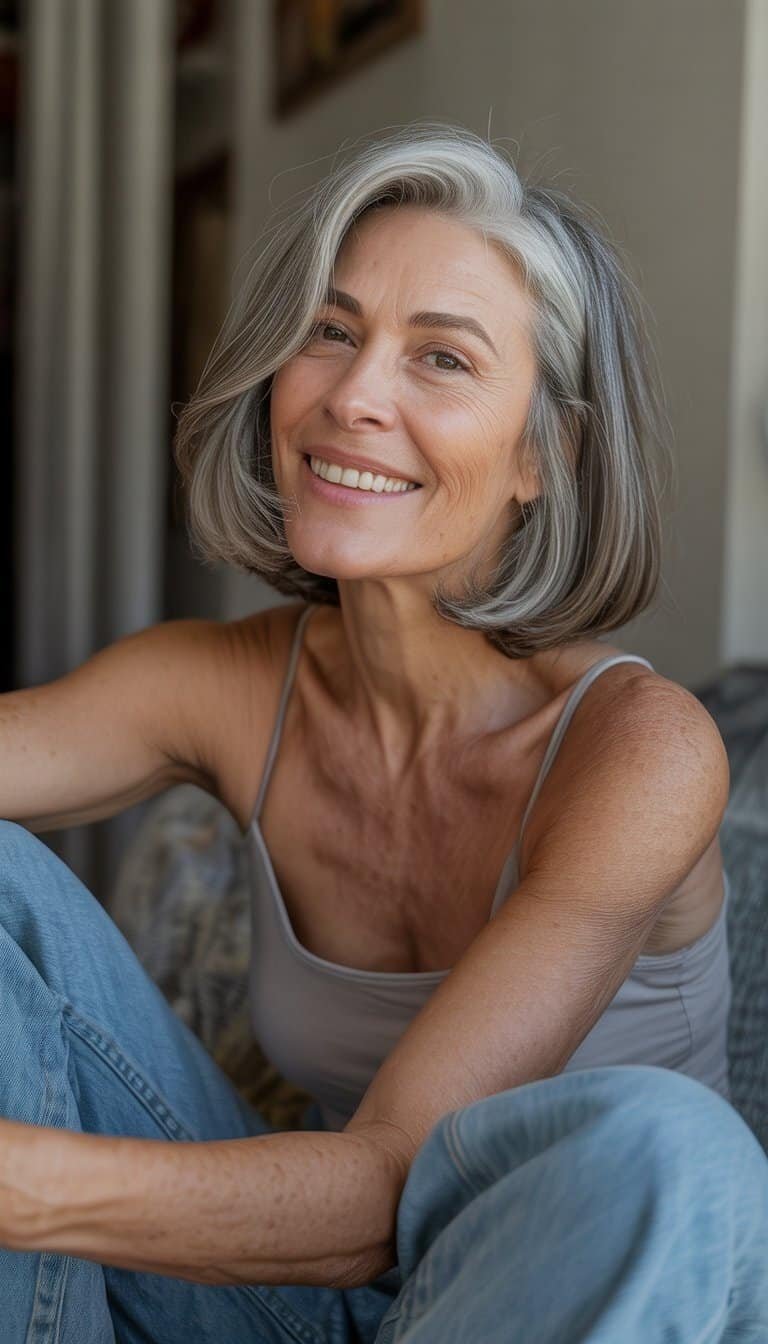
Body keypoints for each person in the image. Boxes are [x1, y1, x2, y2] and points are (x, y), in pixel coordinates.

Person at [1, 121, 766, 1342]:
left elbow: (383, 1189)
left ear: (543, 456)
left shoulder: (639, 750)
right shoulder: (223, 685)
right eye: (333, 331)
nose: (355, 396)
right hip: (316, 1310)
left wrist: (22, 1188)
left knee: (675, 1148)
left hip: (554, 1300)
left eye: (443, 360)